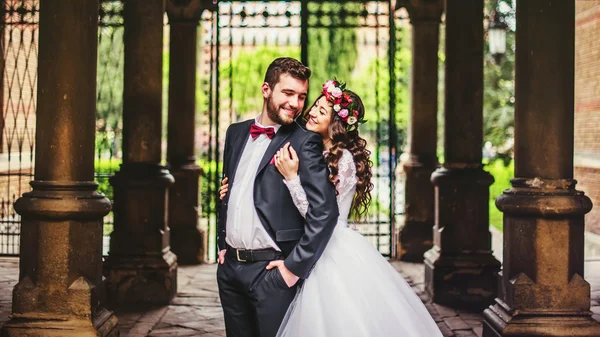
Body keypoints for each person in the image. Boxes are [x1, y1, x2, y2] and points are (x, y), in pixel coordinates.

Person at [220, 79, 444, 337]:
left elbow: (322, 214)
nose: (312, 112)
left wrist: (292, 179)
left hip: (330, 248)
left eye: (322, 111)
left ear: (336, 124)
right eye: (315, 105)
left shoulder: (344, 160)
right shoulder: (304, 146)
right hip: (300, 243)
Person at [216, 58, 339, 337]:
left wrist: (291, 270)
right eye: (288, 93)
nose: (296, 104)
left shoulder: (304, 141)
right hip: (230, 271)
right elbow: (233, 191)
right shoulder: (235, 134)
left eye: (302, 96)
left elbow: (325, 212)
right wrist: (222, 246)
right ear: (266, 90)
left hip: (271, 273)